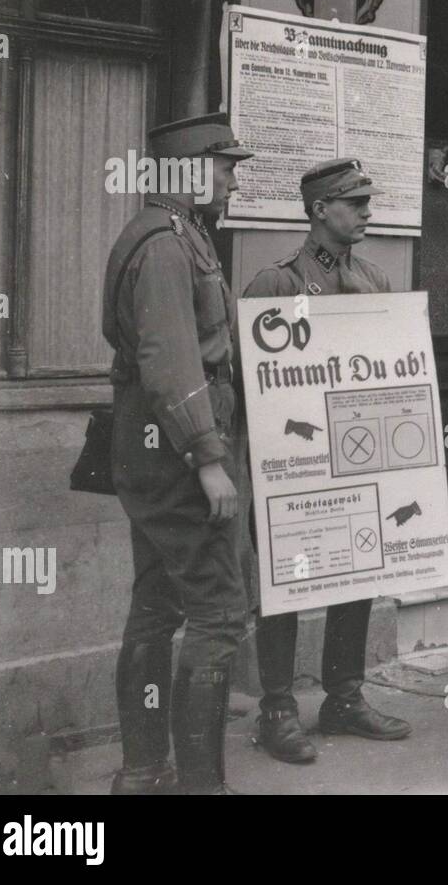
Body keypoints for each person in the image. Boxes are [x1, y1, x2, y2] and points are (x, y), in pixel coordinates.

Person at [243, 158, 412, 764]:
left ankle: (343, 698)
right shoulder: (276, 285)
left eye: (367, 201)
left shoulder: (374, 281)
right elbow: (251, 386)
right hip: (292, 461)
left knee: (358, 572)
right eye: (354, 202)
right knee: (284, 587)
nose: (367, 211)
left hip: (354, 457)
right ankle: (277, 710)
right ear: (319, 211)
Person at [104, 113, 252, 794]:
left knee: (157, 607)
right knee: (219, 611)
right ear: (190, 168)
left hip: (149, 448)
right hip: (173, 454)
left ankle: (142, 773)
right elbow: (170, 361)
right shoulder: (167, 244)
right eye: (223, 165)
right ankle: (198, 785)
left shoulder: (169, 235)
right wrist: (207, 455)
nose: (229, 178)